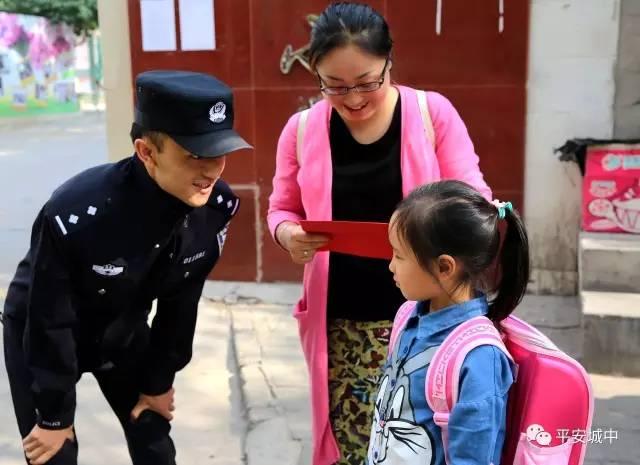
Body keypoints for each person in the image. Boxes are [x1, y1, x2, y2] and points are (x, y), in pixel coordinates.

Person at [267, 3, 492, 465]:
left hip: (429, 321)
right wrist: (288, 233)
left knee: (427, 446)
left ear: (390, 62)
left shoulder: (432, 114)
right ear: (316, 74)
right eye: (335, 86)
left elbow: (475, 204)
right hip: (343, 326)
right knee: (354, 447)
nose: (352, 99)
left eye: (368, 82)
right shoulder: (303, 130)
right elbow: (281, 208)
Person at [1, 70, 251, 465]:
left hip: (122, 329)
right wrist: (53, 414)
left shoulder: (215, 211)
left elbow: (180, 305)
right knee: (54, 454)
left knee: (154, 439)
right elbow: (50, 317)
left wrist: (158, 382)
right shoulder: (77, 214)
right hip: (41, 331)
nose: (212, 171)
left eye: (220, 154)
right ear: (147, 152)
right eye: (195, 156)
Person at [367, 180, 529, 465]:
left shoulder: (479, 358)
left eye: (399, 255)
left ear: (444, 267)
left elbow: (472, 458)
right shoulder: (408, 317)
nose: (391, 265)